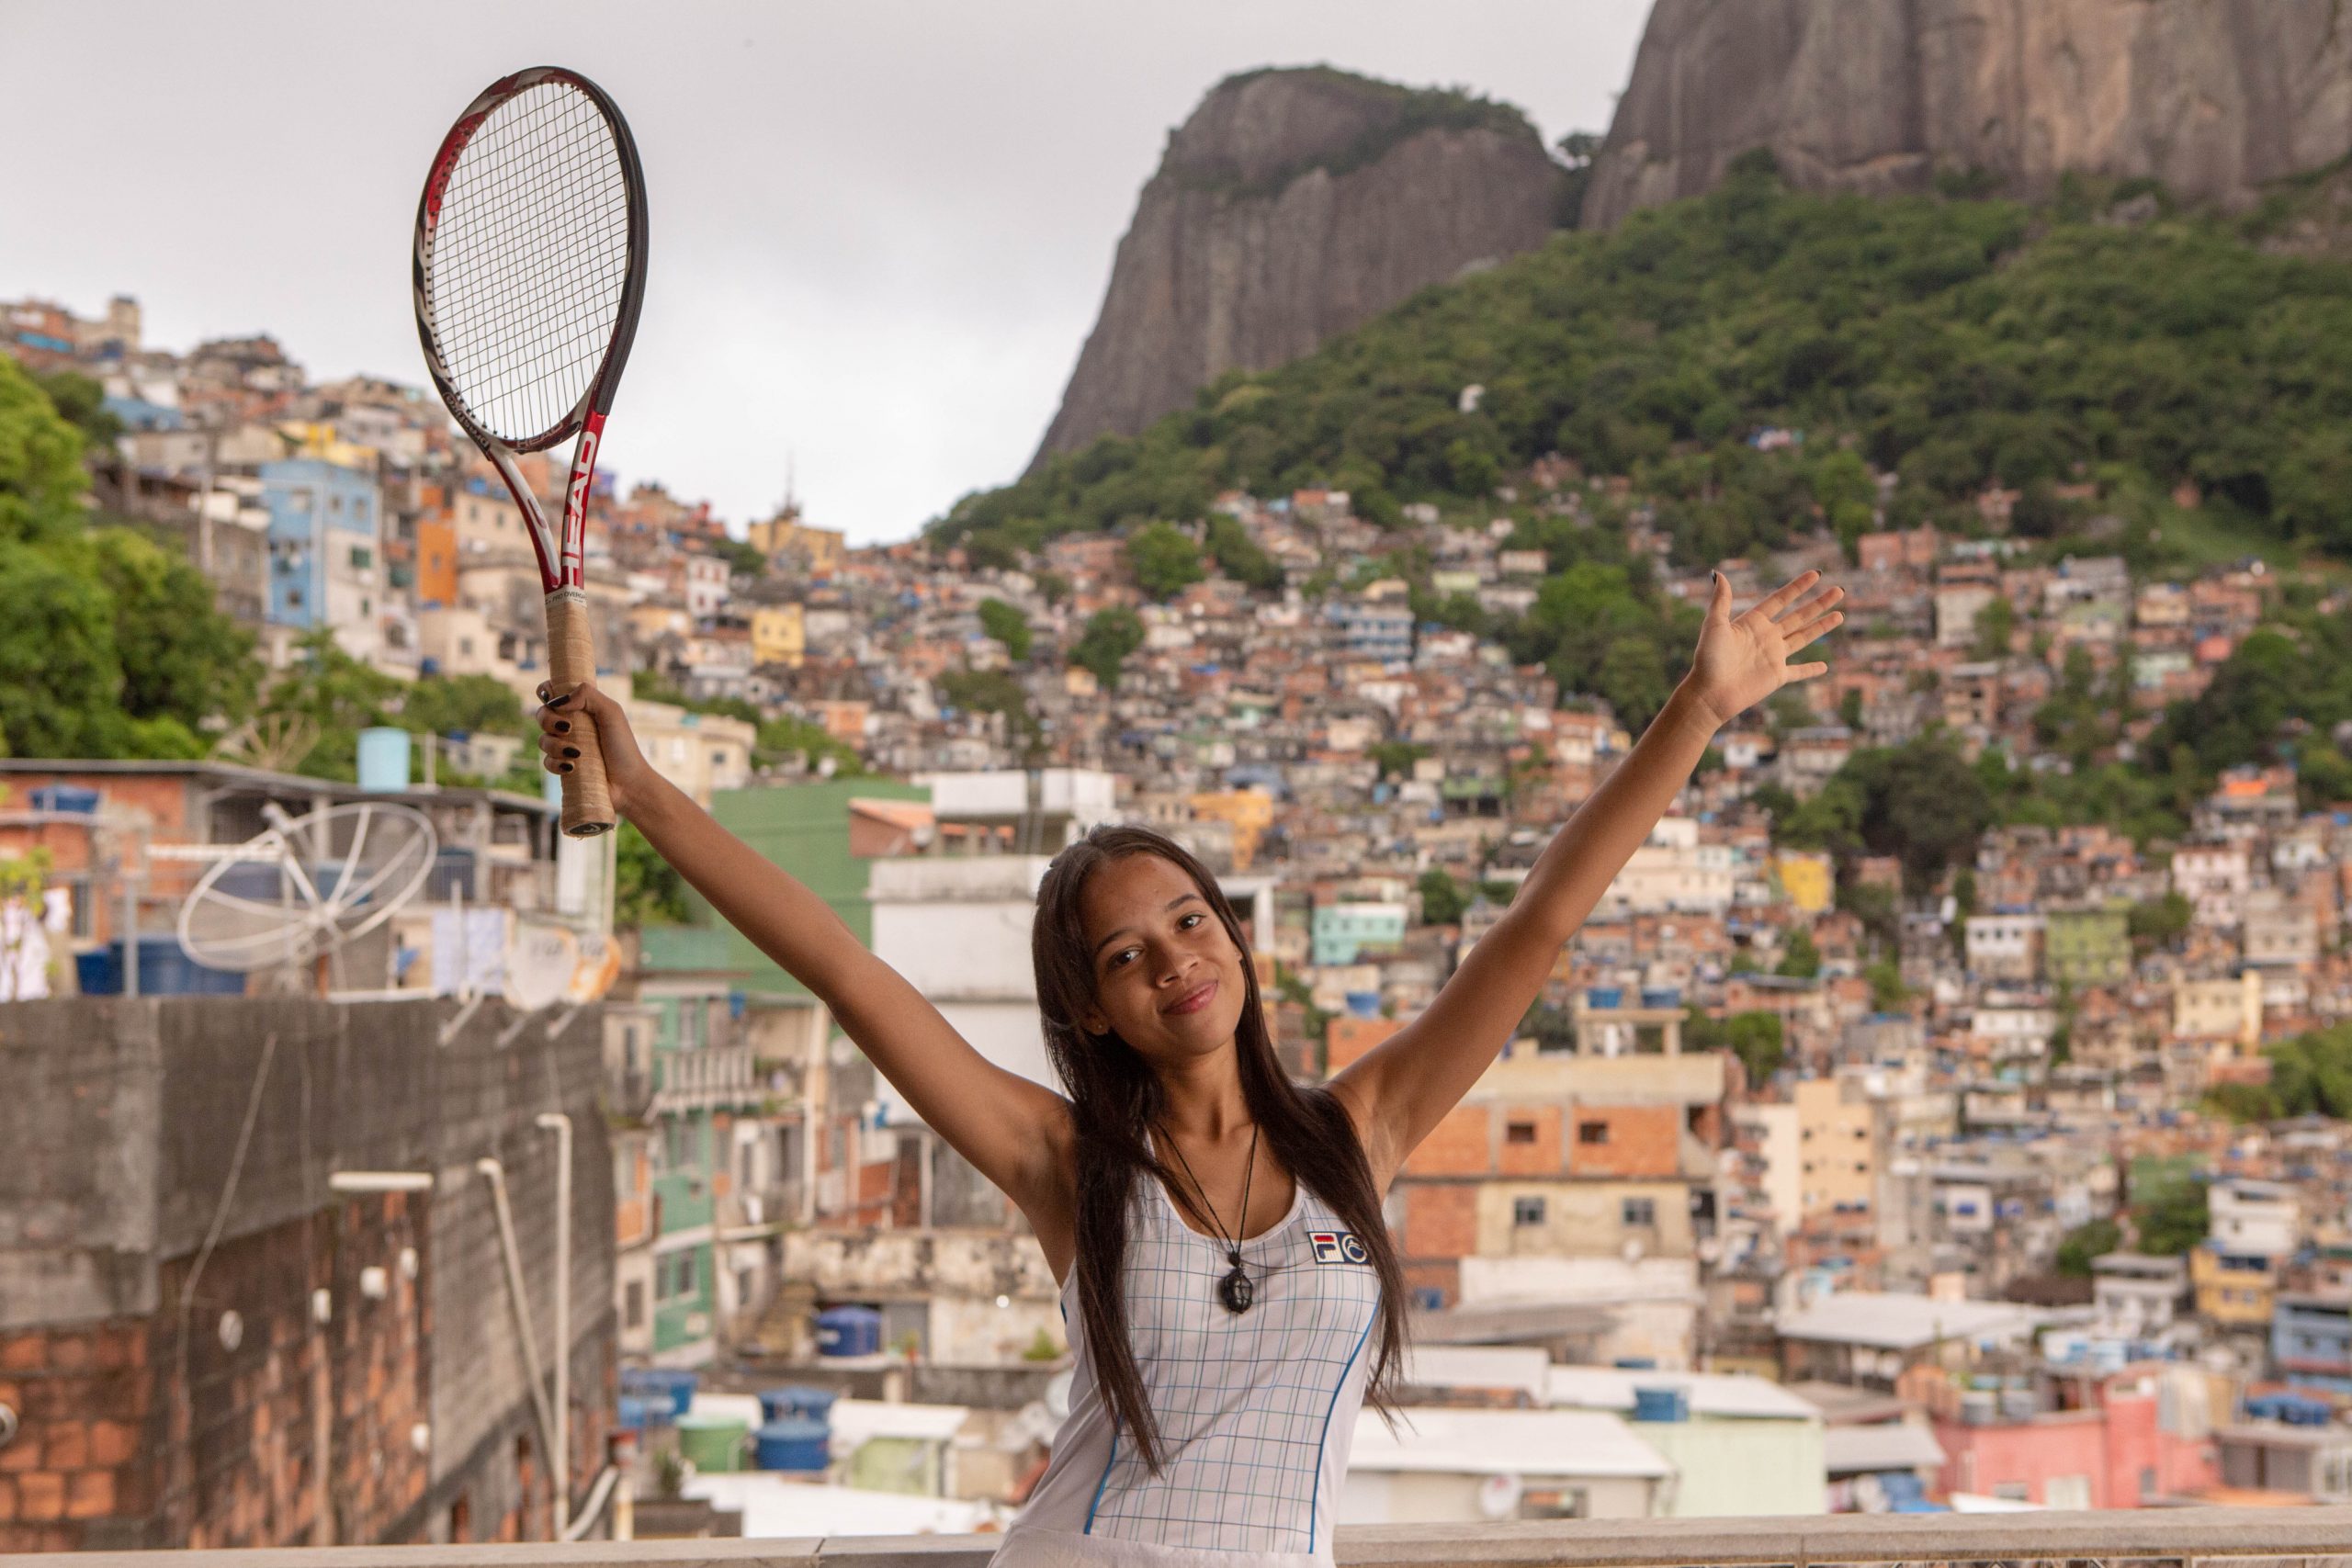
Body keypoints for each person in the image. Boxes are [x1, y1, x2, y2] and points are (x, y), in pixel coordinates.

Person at [536, 568, 1840, 1564]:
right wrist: (645, 793)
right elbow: (848, 972)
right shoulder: (1069, 1163)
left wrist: (1700, 709)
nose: (1172, 963)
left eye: (1189, 922)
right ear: (1094, 1011)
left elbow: (1541, 921)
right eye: (1122, 957)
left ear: (1236, 939)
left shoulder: (1361, 1131)